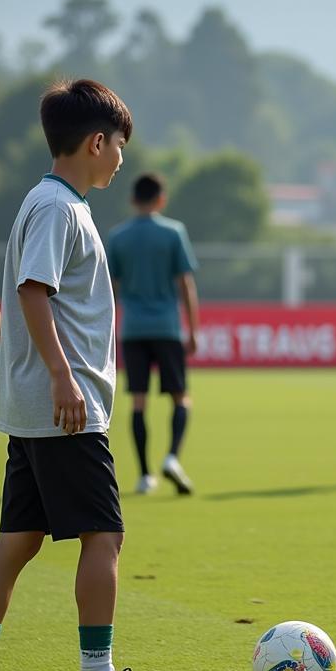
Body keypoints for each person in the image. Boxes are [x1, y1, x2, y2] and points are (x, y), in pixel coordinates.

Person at [0, 78, 174, 671]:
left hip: (40, 406)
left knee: (17, 539)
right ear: (97, 142)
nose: (122, 159)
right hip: (64, 408)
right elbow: (32, 289)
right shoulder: (57, 207)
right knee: (105, 538)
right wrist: (63, 376)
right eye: (120, 146)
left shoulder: (56, 202)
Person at [108, 173, 199, 496]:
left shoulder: (118, 237)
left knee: (139, 401)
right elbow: (185, 283)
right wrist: (193, 329)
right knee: (180, 397)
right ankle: (172, 457)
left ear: (133, 200)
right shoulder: (173, 232)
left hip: (132, 328)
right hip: (166, 327)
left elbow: (111, 289)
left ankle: (145, 474)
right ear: (161, 199)